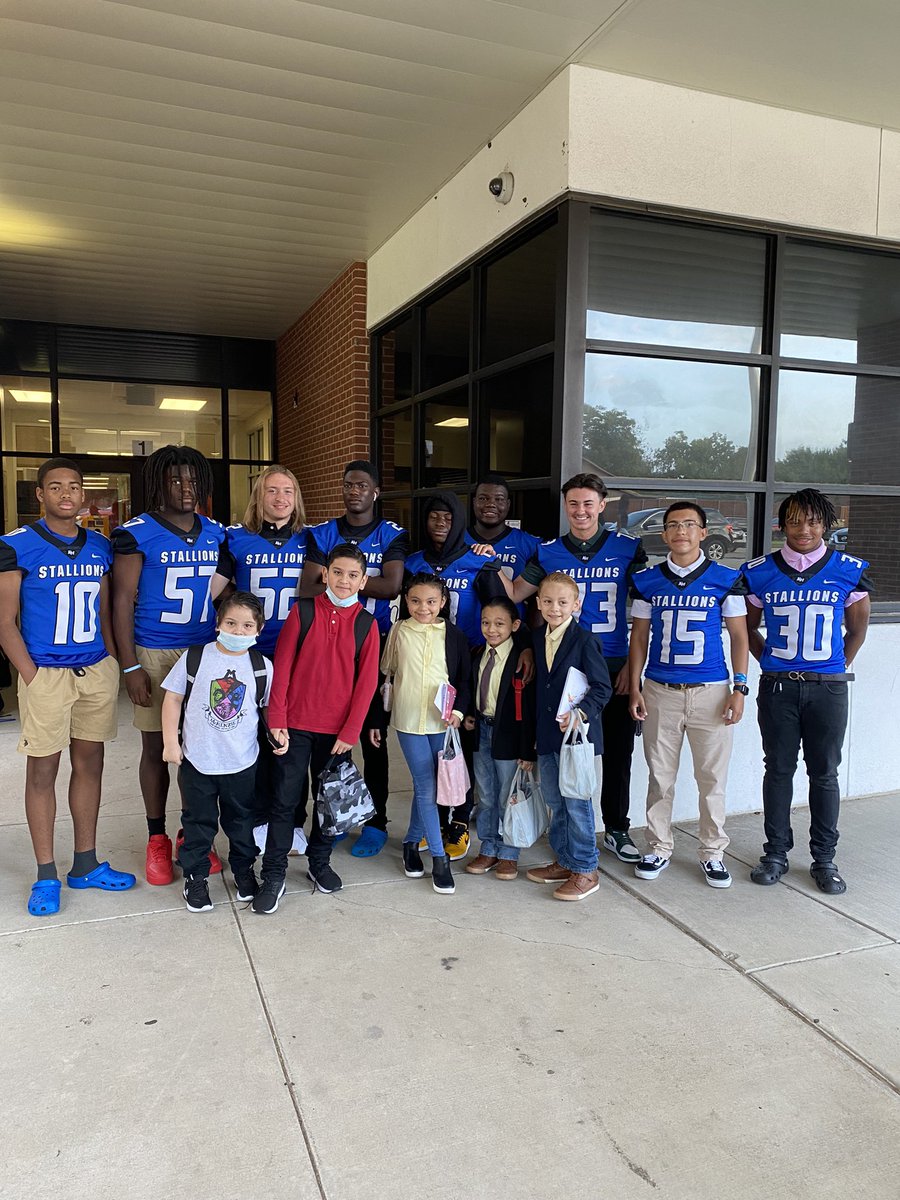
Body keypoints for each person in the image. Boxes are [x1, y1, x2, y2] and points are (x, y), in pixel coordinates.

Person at [0, 458, 135, 916]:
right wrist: (32, 677)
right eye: (55, 487)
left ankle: (85, 863)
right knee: (42, 771)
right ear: (40, 495)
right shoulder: (17, 546)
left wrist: (114, 659)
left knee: (90, 764)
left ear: (83, 496)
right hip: (46, 673)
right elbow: (4, 623)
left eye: (74, 487)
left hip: (94, 670)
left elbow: (102, 611)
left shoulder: (100, 546)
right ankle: (45, 873)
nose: (66, 494)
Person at [508, 472, 647, 865]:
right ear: (565, 506)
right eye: (573, 503)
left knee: (618, 753)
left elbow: (643, 610)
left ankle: (616, 827)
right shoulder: (549, 551)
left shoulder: (627, 547)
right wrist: (483, 563)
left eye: (589, 503)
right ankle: (569, 843)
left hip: (613, 661)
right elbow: (517, 593)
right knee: (564, 754)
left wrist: (634, 672)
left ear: (603, 505)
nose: (581, 511)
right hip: (562, 663)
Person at [742, 489, 872, 895]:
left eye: (814, 521)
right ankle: (776, 852)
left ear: (826, 526)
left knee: (825, 773)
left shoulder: (849, 569)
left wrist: (832, 668)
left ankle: (824, 858)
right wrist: (771, 663)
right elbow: (747, 628)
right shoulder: (759, 570)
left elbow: (858, 630)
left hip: (828, 690)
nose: (805, 529)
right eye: (796, 520)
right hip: (778, 687)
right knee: (778, 769)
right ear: (782, 524)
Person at [112, 445, 226, 886]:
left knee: (200, 749)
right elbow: (121, 601)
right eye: (175, 480)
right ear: (158, 483)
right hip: (155, 652)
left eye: (192, 480)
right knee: (156, 748)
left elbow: (220, 585)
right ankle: (155, 835)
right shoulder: (137, 532)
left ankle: (192, 833)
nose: (185, 488)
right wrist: (128, 666)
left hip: (203, 652)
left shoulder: (216, 532)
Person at [628, 502, 750, 889]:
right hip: (660, 689)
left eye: (689, 525)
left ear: (702, 532)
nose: (681, 531)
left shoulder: (725, 578)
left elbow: (739, 635)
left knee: (712, 778)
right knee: (660, 777)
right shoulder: (648, 580)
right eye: (673, 526)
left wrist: (740, 686)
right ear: (664, 535)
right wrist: (634, 685)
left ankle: (713, 850)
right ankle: (658, 846)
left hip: (711, 691)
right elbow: (640, 637)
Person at [256, 543, 380, 912]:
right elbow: (283, 667)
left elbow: (367, 684)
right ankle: (274, 872)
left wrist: (350, 730)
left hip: (336, 733)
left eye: (353, 574)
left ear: (364, 580)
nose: (344, 580)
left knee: (330, 803)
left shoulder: (366, 624)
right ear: (326, 573)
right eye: (338, 572)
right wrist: (276, 719)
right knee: (284, 801)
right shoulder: (303, 611)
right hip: (294, 726)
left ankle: (318, 862)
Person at [300, 461, 408, 858]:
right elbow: (307, 585)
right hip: (327, 646)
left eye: (363, 485)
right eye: (348, 485)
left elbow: (394, 585)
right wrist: (363, 583)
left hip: (373, 643)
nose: (354, 491)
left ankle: (376, 821)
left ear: (375, 492)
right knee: (321, 738)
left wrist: (341, 580)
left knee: (372, 738)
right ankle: (318, 819)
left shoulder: (391, 533)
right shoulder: (323, 532)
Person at [160, 591, 281, 912]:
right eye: (231, 623)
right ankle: (196, 878)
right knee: (198, 824)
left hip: (241, 763)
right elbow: (172, 699)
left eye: (246, 625)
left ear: (259, 629)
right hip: (197, 761)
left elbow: (269, 708)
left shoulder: (261, 666)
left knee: (242, 823)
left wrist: (278, 732)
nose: (238, 631)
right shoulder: (196, 658)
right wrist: (170, 742)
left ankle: (243, 871)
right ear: (218, 623)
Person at [404, 491, 509, 859]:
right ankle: (429, 821)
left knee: (458, 750)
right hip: (423, 664)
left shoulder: (476, 559)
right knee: (430, 752)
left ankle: (459, 821)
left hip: (466, 660)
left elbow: (500, 608)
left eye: (448, 519)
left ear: (460, 521)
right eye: (433, 517)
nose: (440, 524)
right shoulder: (414, 561)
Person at [211, 466, 307, 851]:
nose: (280, 498)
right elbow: (213, 594)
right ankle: (257, 818)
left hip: (296, 654)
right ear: (259, 496)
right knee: (250, 738)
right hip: (249, 654)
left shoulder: (311, 539)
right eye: (272, 491)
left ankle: (292, 819)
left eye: (288, 490)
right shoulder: (237, 539)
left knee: (290, 742)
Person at [370, 572, 471, 894]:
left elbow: (464, 680)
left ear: (443, 602)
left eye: (430, 601)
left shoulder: (454, 636)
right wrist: (376, 720)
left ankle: (412, 843)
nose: (423, 608)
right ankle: (440, 859)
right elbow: (385, 675)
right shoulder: (398, 631)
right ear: (405, 602)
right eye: (415, 601)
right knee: (427, 785)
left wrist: (457, 712)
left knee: (426, 786)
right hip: (408, 721)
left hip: (442, 723)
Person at [525, 573, 612, 901]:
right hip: (547, 738)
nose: (555, 608)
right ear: (538, 603)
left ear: (576, 605)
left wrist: (582, 712)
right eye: (547, 601)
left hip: (577, 739)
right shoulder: (536, 637)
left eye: (563, 602)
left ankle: (587, 869)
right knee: (555, 801)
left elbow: (601, 688)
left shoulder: (584, 641)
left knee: (577, 804)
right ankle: (565, 860)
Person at [464, 596, 536, 880]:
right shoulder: (477, 653)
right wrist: (470, 713)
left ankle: (509, 852)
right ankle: (488, 846)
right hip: (482, 730)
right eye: (485, 622)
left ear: (514, 625)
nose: (491, 629)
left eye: (499, 623)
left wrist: (527, 748)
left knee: (509, 795)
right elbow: (473, 689)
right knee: (486, 794)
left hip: (508, 734)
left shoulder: (521, 659)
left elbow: (528, 709)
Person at [466, 474, 541, 618]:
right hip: (466, 630)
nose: (490, 504)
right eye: (483, 498)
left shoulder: (530, 544)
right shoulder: (457, 541)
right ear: (474, 502)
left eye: (499, 499)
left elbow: (538, 599)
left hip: (513, 632)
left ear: (508, 504)